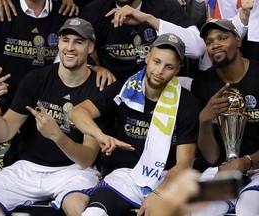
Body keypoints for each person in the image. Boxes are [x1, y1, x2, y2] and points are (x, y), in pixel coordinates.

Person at [0, 17, 106, 216]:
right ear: (58, 42)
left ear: (90, 47)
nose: (70, 47)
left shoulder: (99, 87)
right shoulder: (36, 79)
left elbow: (86, 158)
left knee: (77, 208)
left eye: (78, 42)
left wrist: (58, 136)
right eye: (65, 40)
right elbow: (3, 134)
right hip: (27, 168)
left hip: (73, 171)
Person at [68, 33, 201, 216]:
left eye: (168, 66)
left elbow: (184, 162)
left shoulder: (187, 103)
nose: (159, 70)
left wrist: (158, 192)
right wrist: (100, 135)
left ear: (177, 69)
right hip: (126, 176)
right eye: (156, 61)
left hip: (166, 177)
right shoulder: (124, 89)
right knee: (92, 213)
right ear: (147, 57)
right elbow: (77, 112)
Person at [0, 0, 74, 192]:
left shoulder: (64, 11)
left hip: (40, 98)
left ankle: (20, 157)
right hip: (3, 97)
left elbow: (67, 60)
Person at [191, 19, 259, 216]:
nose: (215, 45)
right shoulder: (202, 84)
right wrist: (204, 120)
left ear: (238, 40)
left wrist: (245, 162)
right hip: (223, 169)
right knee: (201, 210)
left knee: (247, 209)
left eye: (222, 38)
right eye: (210, 42)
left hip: (256, 168)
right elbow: (211, 156)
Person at [78, 0, 206, 80]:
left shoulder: (165, 6)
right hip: (111, 86)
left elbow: (197, 48)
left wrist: (150, 20)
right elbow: (68, 51)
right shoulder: (94, 10)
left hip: (159, 85)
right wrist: (92, 68)